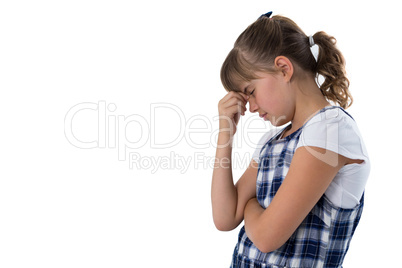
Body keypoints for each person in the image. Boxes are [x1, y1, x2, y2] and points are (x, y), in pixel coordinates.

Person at [211, 11, 370, 268]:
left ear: (284, 69)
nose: (249, 107)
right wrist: (225, 133)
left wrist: (250, 205)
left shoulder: (329, 130)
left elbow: (265, 237)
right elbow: (225, 217)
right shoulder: (270, 143)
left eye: (250, 92)